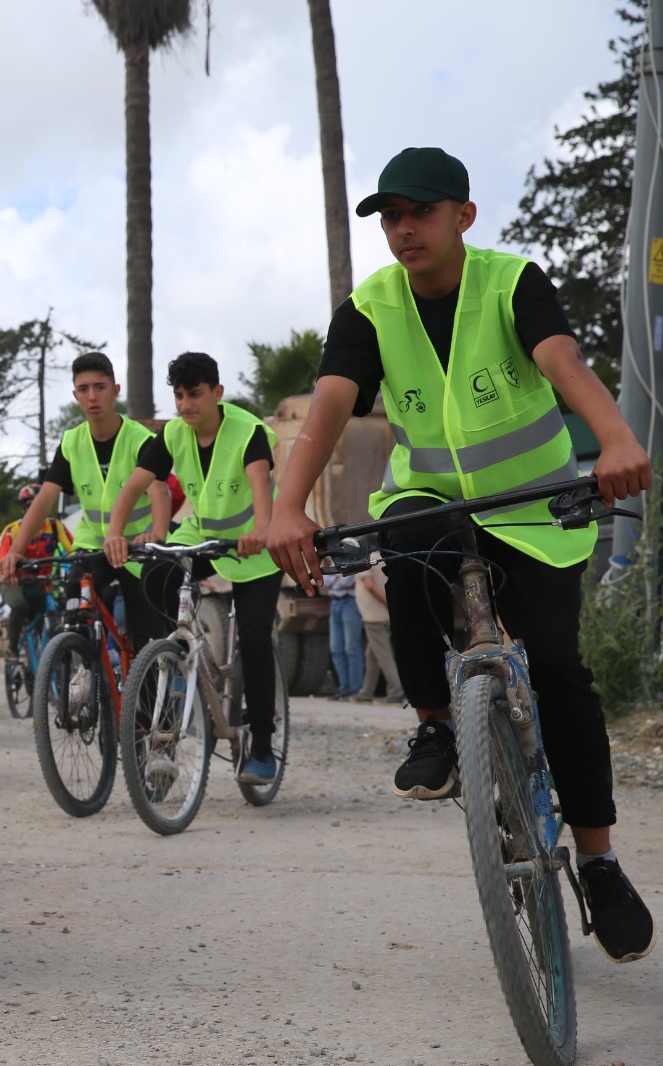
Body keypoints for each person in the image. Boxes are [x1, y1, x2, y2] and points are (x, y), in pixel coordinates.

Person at [266, 146, 654, 962]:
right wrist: (287, 506)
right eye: (391, 218)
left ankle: (602, 862)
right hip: (433, 503)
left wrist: (615, 437)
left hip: (536, 509)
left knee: (556, 665)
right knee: (405, 547)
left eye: (421, 213)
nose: (404, 230)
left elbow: (563, 362)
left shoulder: (511, 282)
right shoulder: (369, 306)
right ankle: (436, 728)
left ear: (463, 218)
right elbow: (330, 404)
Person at [104, 351, 283, 785]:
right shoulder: (172, 436)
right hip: (201, 536)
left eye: (195, 395)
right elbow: (133, 486)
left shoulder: (248, 431)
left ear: (217, 393)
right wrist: (115, 532)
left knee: (256, 641)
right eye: (179, 396)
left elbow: (260, 483)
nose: (185, 405)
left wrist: (261, 530)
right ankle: (178, 651)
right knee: (154, 573)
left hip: (253, 547)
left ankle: (261, 747)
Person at [0, 352, 169, 652]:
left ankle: (145, 686)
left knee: (146, 634)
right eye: (84, 389)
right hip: (94, 546)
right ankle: (83, 674)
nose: (92, 396)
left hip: (137, 548)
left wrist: (156, 535)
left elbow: (159, 491)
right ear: (75, 395)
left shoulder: (140, 439)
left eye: (100, 387)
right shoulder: (71, 442)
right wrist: (16, 550)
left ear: (116, 391)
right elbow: (45, 500)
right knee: (75, 606)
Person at [0, 482, 72, 661]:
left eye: (38, 505)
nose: (33, 510)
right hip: (15, 582)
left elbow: (71, 550)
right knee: (19, 606)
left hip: (43, 582)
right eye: (28, 506)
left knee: (55, 611)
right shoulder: (12, 531)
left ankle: (53, 662)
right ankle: (13, 649)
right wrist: (8, 574)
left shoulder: (55, 526)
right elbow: (2, 560)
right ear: (23, 509)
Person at [351, 548, 402, 705]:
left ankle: (396, 693)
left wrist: (387, 603)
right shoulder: (385, 558)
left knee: (383, 656)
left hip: (374, 616)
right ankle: (366, 693)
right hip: (386, 615)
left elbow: (370, 586)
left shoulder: (366, 561)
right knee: (371, 655)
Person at [324, 572, 363, 699]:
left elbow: (347, 582)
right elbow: (323, 580)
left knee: (351, 648)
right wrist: (336, 578)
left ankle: (355, 689)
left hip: (350, 603)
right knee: (336, 649)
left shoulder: (352, 558)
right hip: (335, 603)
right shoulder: (333, 559)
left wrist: (333, 578)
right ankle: (344, 688)